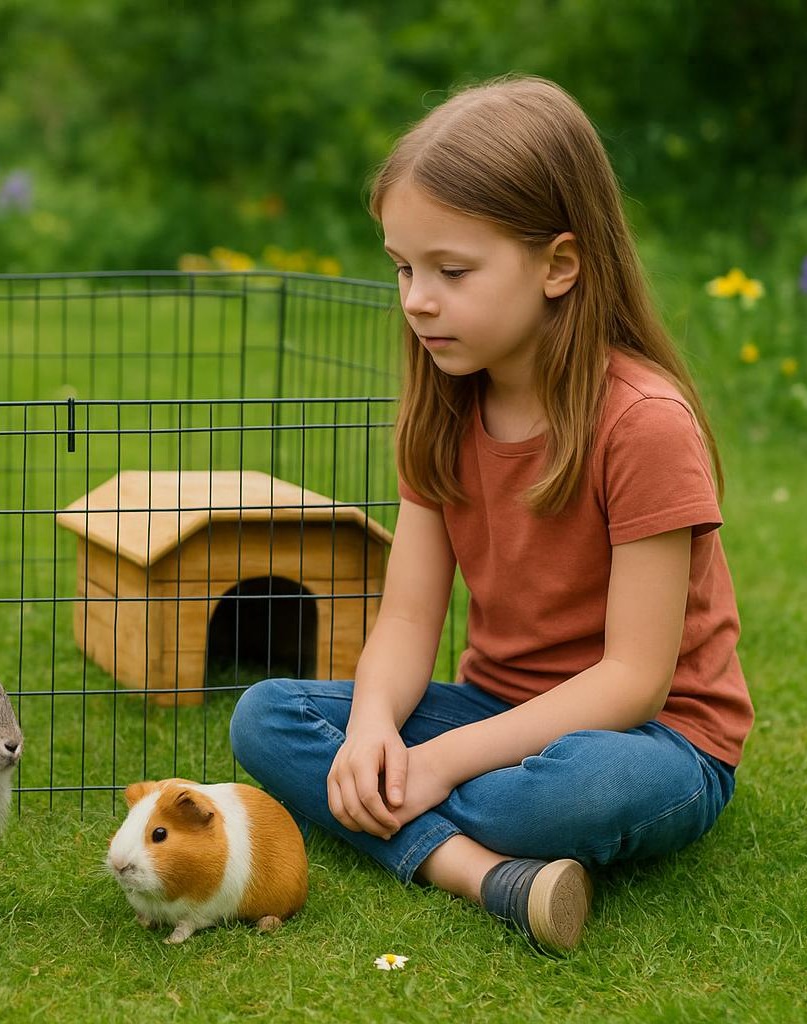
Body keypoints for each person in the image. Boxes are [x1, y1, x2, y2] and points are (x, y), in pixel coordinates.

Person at [230, 75, 753, 954]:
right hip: (490, 710)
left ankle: (435, 832)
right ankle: (483, 875)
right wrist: (369, 730)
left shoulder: (643, 424)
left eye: (451, 271)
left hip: (652, 741)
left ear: (559, 264)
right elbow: (405, 615)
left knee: (568, 792)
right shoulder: (444, 407)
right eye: (403, 267)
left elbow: (633, 680)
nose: (416, 299)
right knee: (266, 717)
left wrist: (429, 764)